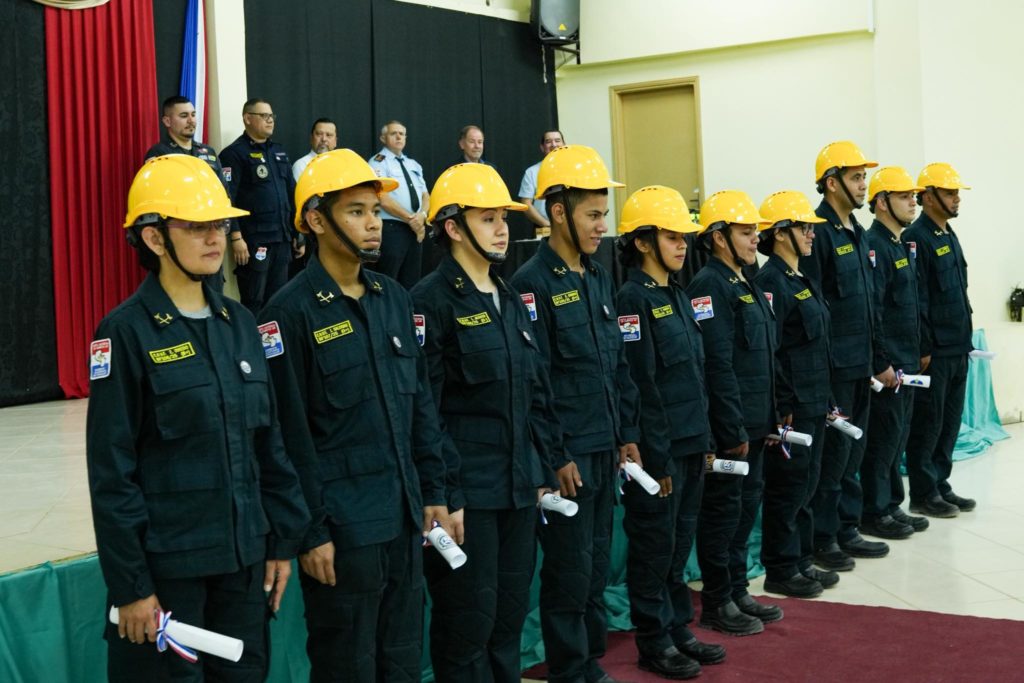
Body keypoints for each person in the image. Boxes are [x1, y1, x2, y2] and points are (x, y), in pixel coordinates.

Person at [86, 154, 310, 681]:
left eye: (220, 224)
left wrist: (280, 541)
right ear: (155, 238)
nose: (215, 238)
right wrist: (132, 587)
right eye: (196, 226)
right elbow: (111, 474)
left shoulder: (241, 323)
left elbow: (269, 445)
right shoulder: (124, 333)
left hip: (243, 567)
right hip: (170, 575)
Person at [258, 148, 450, 682]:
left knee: (403, 661)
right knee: (349, 666)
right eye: (357, 212)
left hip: (404, 518)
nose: (374, 225)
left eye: (375, 211)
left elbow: (419, 407)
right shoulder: (287, 313)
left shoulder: (393, 298)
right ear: (316, 220)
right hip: (343, 532)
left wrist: (432, 489)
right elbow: (286, 436)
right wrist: (310, 531)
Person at [411, 162, 558, 682]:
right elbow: (423, 411)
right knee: (466, 626)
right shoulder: (429, 301)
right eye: (490, 218)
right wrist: (444, 494)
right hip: (467, 497)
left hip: (518, 489)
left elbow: (533, 390)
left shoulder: (510, 295)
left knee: (508, 618)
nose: (503, 229)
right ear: (452, 227)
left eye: (504, 218)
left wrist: (542, 467)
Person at [511, 145, 641, 683]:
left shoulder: (597, 277)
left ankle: (590, 661)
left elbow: (617, 366)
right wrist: (555, 455)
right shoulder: (530, 284)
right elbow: (535, 383)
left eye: (604, 214)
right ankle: (570, 669)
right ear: (558, 211)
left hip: (603, 445)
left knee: (590, 568)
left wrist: (625, 435)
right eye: (592, 214)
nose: (601, 225)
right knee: (568, 572)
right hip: (566, 455)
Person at [614, 185, 724, 680]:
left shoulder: (676, 294)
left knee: (679, 545)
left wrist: (702, 440)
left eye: (685, 237)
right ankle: (653, 639)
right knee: (654, 548)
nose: (683, 245)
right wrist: (656, 462)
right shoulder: (632, 299)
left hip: (689, 441)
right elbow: (642, 385)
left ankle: (679, 626)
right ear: (642, 241)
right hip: (661, 452)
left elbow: (693, 375)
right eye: (672, 236)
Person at [686, 190, 779, 636]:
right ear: (719, 238)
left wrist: (771, 418)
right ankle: (718, 600)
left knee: (745, 511)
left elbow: (762, 357)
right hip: (734, 427)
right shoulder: (708, 285)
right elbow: (717, 363)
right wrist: (731, 428)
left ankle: (739, 588)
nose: (755, 239)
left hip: (757, 421)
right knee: (723, 512)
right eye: (746, 232)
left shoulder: (744, 280)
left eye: (756, 231)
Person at [802, 141, 889, 572]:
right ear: (831, 182)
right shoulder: (816, 232)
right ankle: (824, 536)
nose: (863, 184)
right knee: (833, 456)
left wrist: (877, 356)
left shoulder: (856, 229)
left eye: (864, 176)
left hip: (862, 362)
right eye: (856, 177)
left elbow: (867, 301)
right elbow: (816, 306)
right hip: (835, 365)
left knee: (854, 452)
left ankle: (848, 527)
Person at [754, 191, 837, 599]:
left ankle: (802, 558)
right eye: (804, 227)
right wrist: (783, 404)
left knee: (808, 482)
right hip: (793, 406)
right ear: (782, 233)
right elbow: (772, 352)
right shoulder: (769, 283)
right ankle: (782, 567)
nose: (811, 234)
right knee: (787, 487)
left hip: (815, 398)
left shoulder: (800, 277)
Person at [858, 167, 932, 538]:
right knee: (884, 439)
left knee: (898, 437)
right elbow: (876, 312)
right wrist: (881, 361)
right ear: (882, 202)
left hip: (907, 359)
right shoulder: (874, 246)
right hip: (890, 365)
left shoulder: (899, 244)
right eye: (905, 197)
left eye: (913, 196)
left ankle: (892, 505)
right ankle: (875, 511)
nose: (913, 202)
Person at [903, 163, 976, 517]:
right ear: (928, 196)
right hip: (937, 350)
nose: (956, 198)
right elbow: (919, 298)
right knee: (928, 423)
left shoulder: (947, 234)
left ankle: (941, 483)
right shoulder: (916, 237)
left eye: (956, 192)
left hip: (959, 345)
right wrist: (925, 347)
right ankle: (923, 491)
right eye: (949, 193)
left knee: (949, 423)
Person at [219, 98, 305, 312]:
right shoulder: (234, 154)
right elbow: (227, 199)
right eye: (263, 116)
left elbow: (292, 194)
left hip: (283, 239)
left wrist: (299, 232)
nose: (270, 120)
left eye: (271, 116)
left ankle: (275, 345)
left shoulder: (279, 152)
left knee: (279, 299)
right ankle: (253, 344)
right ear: (248, 119)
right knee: (254, 300)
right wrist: (236, 237)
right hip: (254, 241)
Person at [145, 95, 232, 292]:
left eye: (193, 115)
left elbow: (224, 194)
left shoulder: (207, 152)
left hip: (212, 233)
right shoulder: (159, 154)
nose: (191, 120)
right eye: (184, 116)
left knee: (214, 294)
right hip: (183, 237)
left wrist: (231, 232)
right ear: (167, 121)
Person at [367, 120, 431, 289]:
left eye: (402, 134)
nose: (398, 137)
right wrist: (412, 219)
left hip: (415, 230)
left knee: (412, 282)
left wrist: (422, 216)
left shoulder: (413, 164)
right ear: (383, 138)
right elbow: (381, 197)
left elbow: (426, 195)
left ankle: (407, 315)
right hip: (392, 229)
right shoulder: (377, 162)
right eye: (393, 133)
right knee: (388, 281)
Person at [519, 130, 565, 231]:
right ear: (542, 147)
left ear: (564, 144)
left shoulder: (574, 169)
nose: (553, 145)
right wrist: (547, 224)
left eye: (557, 140)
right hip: (544, 227)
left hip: (571, 226)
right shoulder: (531, 172)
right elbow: (526, 204)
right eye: (548, 141)